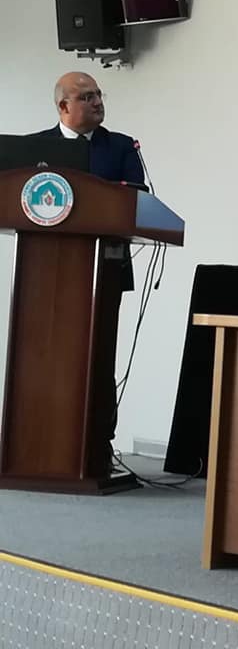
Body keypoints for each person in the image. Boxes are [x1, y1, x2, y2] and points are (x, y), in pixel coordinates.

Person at [31, 71, 146, 478]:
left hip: (104, 270)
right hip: (45, 272)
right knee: (44, 356)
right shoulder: (34, 148)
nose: (97, 102)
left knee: (99, 356)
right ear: (63, 106)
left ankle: (98, 446)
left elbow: (135, 198)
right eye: (86, 96)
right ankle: (39, 442)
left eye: (99, 94)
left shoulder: (121, 146)